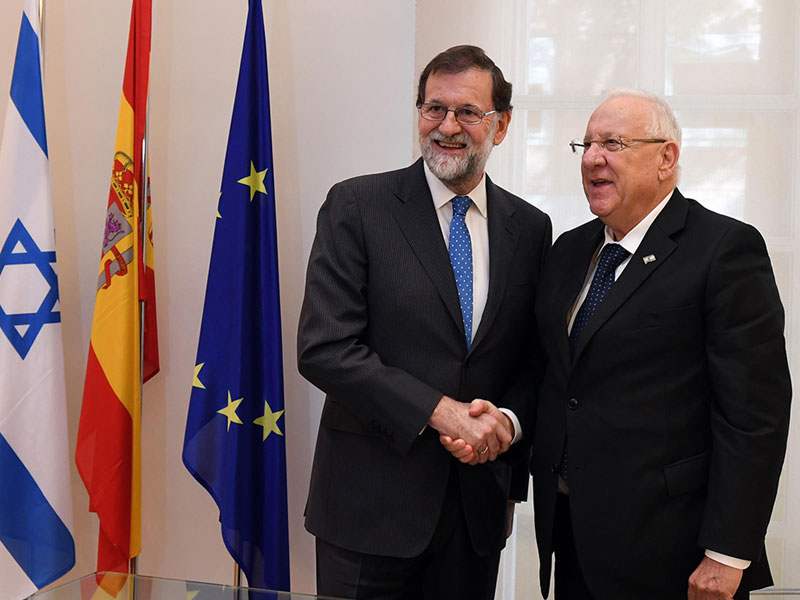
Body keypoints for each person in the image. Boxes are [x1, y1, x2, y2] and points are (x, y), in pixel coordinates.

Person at [297, 45, 551, 599]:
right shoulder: (357, 206)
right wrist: (443, 415)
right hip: (368, 514)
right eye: (433, 109)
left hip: (475, 515)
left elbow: (533, 360)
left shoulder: (530, 228)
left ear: (501, 125)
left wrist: (505, 423)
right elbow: (325, 347)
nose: (447, 127)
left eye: (467, 112)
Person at [531, 89, 791, 600]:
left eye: (612, 142)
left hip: (675, 553)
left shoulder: (724, 250)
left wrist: (727, 551)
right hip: (574, 538)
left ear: (666, 158)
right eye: (584, 145)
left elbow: (755, 415)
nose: (592, 158)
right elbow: (560, 381)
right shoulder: (569, 250)